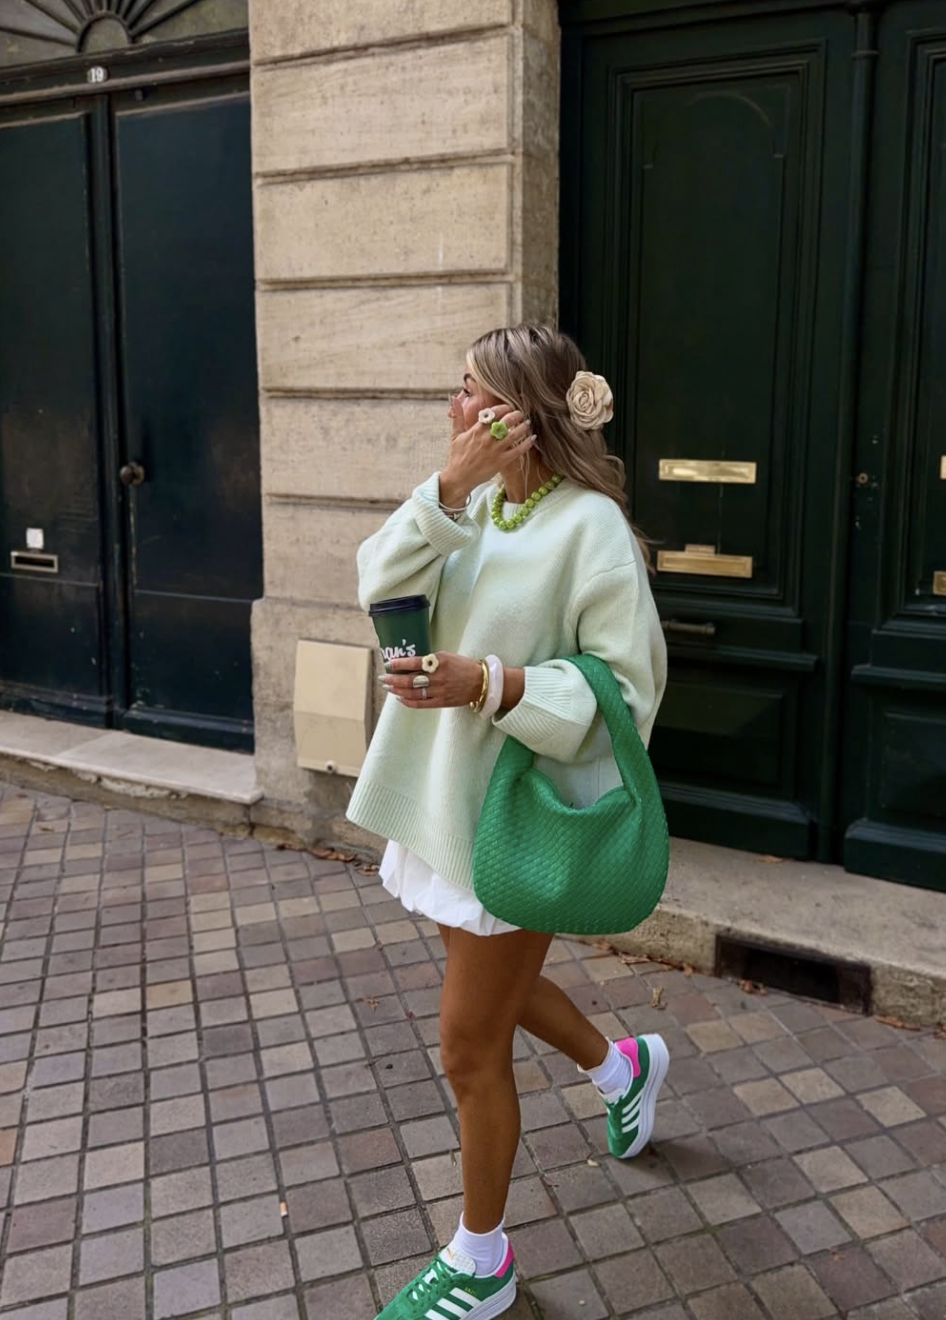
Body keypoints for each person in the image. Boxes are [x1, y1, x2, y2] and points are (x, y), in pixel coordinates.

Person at [346, 324, 669, 1320]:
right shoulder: (474, 504)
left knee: (466, 1046)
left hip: (515, 813)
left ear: (519, 416)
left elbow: (627, 691)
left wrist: (489, 682)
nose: (452, 407)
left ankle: (481, 1262)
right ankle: (622, 1067)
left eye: (469, 391)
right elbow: (378, 585)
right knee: (492, 994)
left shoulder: (589, 528)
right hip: (445, 799)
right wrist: (446, 490)